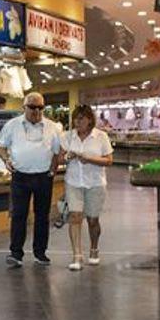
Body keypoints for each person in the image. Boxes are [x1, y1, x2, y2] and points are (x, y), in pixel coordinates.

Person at [0, 91, 62, 268]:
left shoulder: (53, 127)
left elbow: (57, 151)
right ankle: (16, 253)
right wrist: (6, 160)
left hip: (43, 177)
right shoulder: (12, 125)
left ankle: (40, 253)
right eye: (32, 107)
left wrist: (53, 169)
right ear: (24, 107)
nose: (36, 111)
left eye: (40, 107)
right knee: (19, 215)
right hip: (20, 176)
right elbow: (1, 146)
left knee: (42, 216)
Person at [61, 105, 114, 271]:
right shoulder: (67, 136)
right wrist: (67, 157)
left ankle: (94, 249)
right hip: (74, 182)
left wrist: (90, 158)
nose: (78, 122)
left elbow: (109, 160)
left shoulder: (101, 136)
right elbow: (60, 157)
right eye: (76, 118)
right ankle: (77, 255)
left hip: (95, 183)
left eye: (82, 118)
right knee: (75, 216)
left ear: (90, 120)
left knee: (92, 219)